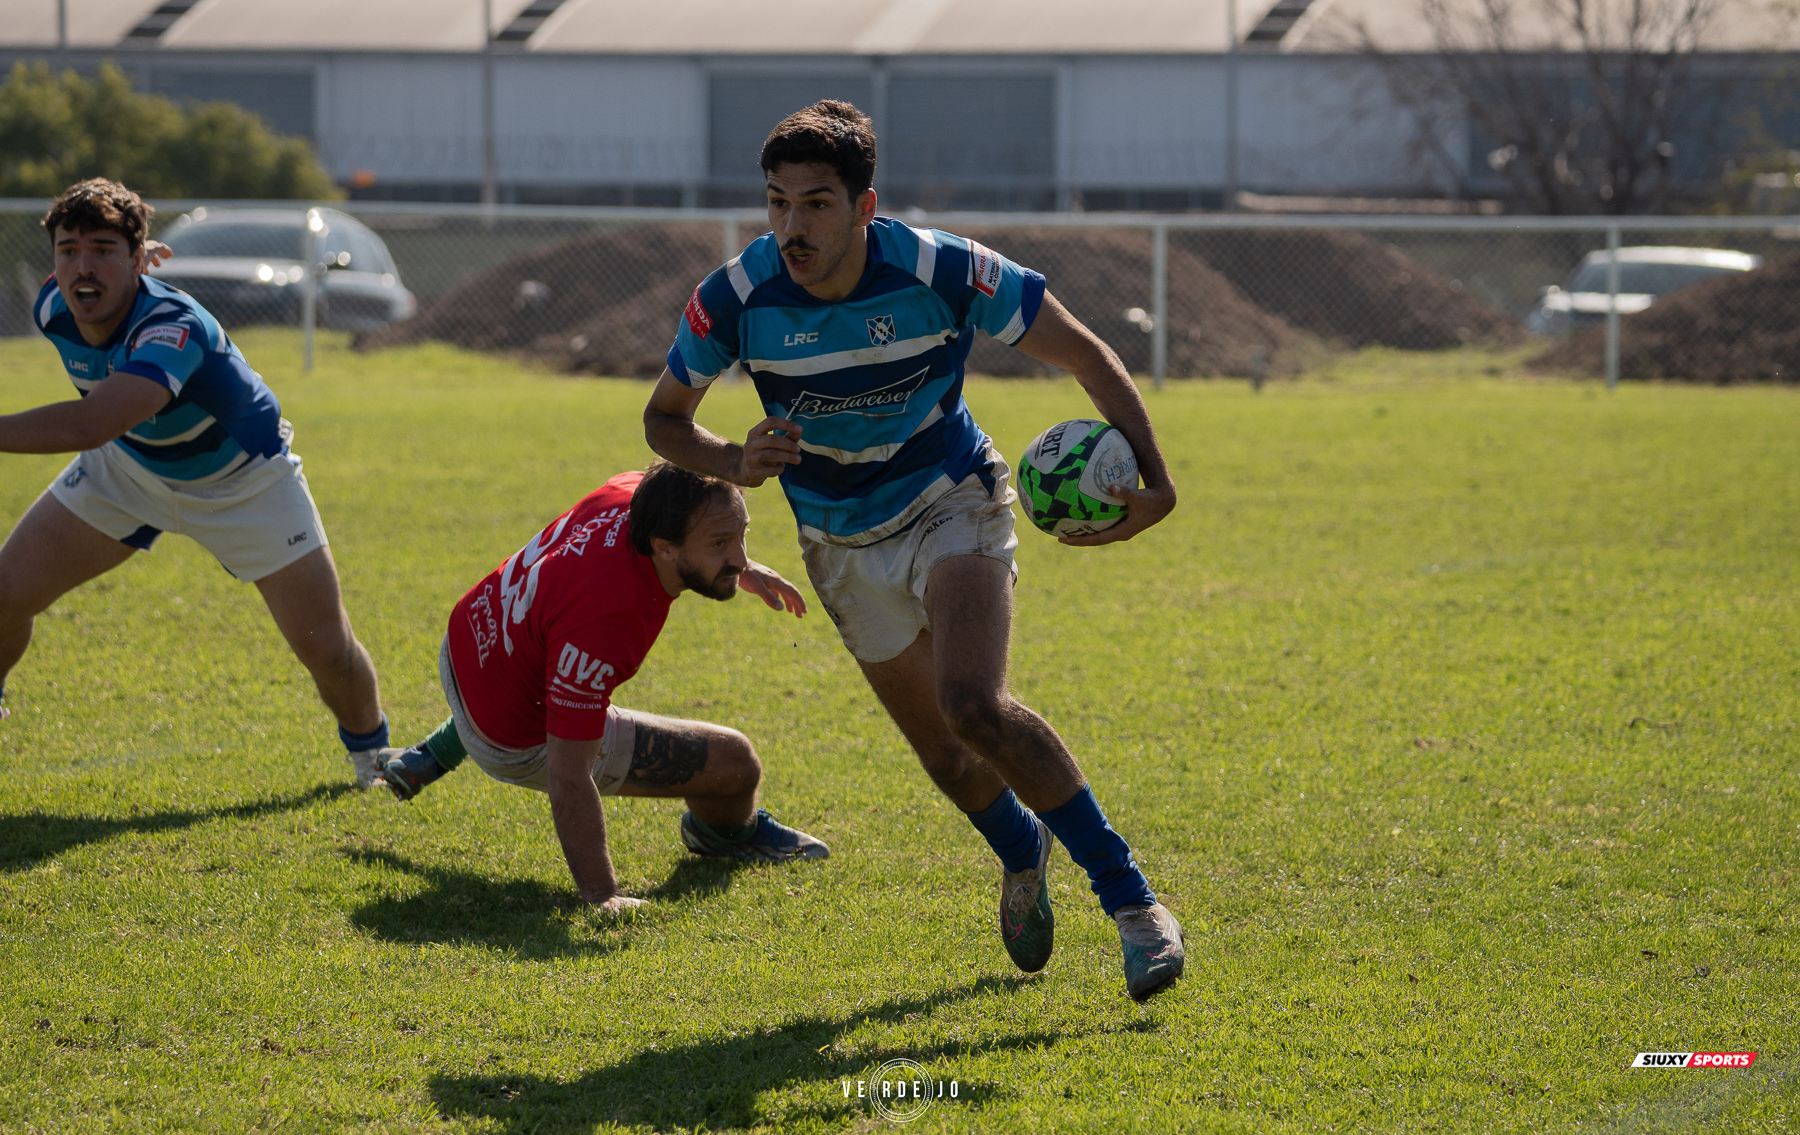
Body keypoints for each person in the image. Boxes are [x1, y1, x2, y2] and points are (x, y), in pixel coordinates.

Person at [643, 101, 1185, 1001]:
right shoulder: (737, 298)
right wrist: (733, 460)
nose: (791, 228)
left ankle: (1134, 904)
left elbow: (1084, 353)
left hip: (951, 494)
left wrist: (1157, 481)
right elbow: (664, 421)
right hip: (839, 537)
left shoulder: (941, 267)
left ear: (864, 206)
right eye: (777, 203)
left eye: (816, 204)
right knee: (945, 757)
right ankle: (1022, 850)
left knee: (974, 702)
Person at [0, 178, 393, 785]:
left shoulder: (172, 325)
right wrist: (120, 263)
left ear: (137, 258)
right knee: (5, 595)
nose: (82, 266)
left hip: (246, 484)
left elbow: (94, 419)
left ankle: (374, 755)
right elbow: (107, 426)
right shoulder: (54, 304)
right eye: (68, 249)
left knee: (328, 651)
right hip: (127, 469)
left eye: (104, 249)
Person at [379, 464, 828, 913]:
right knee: (736, 765)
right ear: (664, 547)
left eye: (740, 535)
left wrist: (733, 566)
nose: (738, 554)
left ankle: (435, 751)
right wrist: (603, 894)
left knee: (544, 657)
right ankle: (723, 835)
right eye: (719, 544)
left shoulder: (637, 493)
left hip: (469, 641)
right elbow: (568, 774)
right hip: (509, 736)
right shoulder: (608, 620)